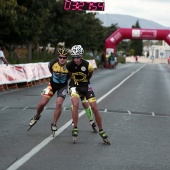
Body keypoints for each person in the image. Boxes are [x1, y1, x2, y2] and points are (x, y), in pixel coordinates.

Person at [66, 45, 110, 144]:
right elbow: (68, 75)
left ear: (81, 56)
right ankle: (75, 127)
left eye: (77, 57)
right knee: (76, 104)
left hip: (86, 86)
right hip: (74, 86)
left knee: (94, 108)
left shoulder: (87, 65)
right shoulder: (69, 65)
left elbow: (90, 74)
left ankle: (101, 130)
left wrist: (86, 80)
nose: (76, 59)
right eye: (73, 57)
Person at [28, 48, 70, 133]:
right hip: (52, 85)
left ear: (67, 58)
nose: (62, 59)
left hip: (62, 87)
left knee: (59, 104)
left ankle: (54, 123)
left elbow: (70, 76)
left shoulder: (69, 66)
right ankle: (37, 115)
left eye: (64, 58)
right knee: (43, 103)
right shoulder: (52, 63)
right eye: (60, 57)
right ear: (58, 57)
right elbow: (51, 71)